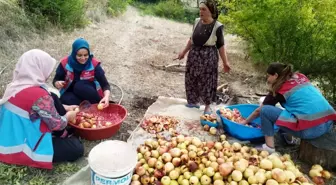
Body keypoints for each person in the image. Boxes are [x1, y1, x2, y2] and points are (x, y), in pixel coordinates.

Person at [0, 49, 84, 169]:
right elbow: (57, 125)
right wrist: (68, 116)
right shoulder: (39, 96)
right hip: (22, 146)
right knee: (76, 148)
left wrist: (66, 107)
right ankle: (60, 138)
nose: (48, 73)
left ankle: (61, 136)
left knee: (53, 96)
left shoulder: (16, 86)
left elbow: (38, 108)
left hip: (9, 137)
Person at [241, 62, 336, 153]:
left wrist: (244, 122)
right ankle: (288, 139)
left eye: (268, 76)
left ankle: (269, 147)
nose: (268, 79)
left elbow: (259, 111)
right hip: (328, 124)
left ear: (276, 76)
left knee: (266, 111)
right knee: (293, 108)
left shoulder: (279, 88)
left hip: (310, 131)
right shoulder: (300, 77)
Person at [177, 0, 231, 114]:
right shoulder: (197, 21)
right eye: (200, 9)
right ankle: (193, 102)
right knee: (191, 78)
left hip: (208, 56)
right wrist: (183, 52)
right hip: (194, 54)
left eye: (204, 9)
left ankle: (207, 105)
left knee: (207, 81)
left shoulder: (217, 26)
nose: (200, 11)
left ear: (210, 11)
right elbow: (191, 39)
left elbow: (221, 46)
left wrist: (225, 62)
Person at [53, 38, 111, 108]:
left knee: (79, 86)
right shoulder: (65, 63)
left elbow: (105, 84)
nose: (83, 58)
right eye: (79, 55)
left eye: (86, 55)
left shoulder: (94, 64)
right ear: (74, 53)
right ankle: (86, 107)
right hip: (71, 93)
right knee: (62, 99)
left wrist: (106, 97)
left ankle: (95, 104)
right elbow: (55, 80)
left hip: (89, 92)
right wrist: (57, 83)